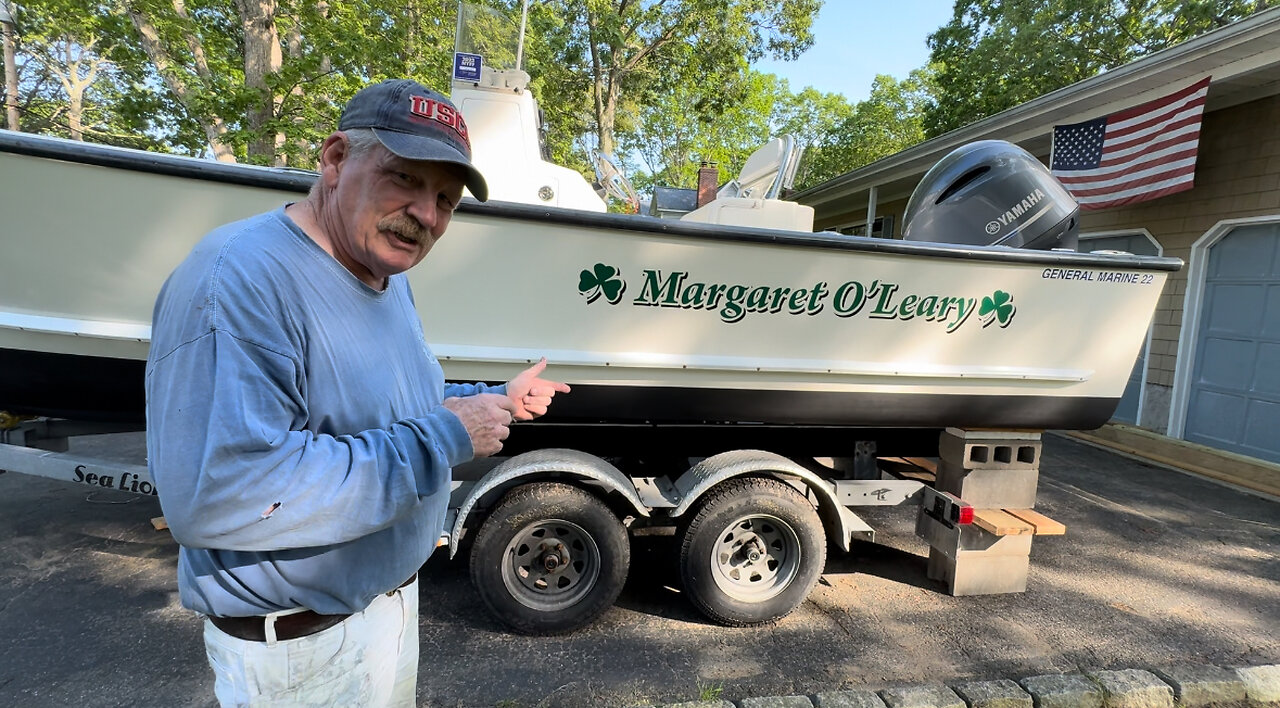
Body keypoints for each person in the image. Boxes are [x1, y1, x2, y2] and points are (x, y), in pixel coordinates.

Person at [145, 78, 570, 707]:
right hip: (300, 650)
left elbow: (391, 403)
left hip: (384, 614)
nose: (427, 216)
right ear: (337, 159)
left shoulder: (384, 274)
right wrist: (450, 435)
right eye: (405, 179)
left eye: (446, 199)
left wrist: (492, 398)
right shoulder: (239, 280)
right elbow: (219, 492)